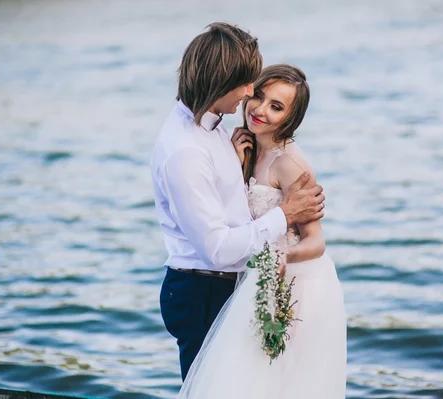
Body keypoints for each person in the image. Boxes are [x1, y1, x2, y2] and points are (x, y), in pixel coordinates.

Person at [149, 23, 325, 381]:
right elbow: (216, 247)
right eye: (247, 84)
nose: (248, 94)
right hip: (202, 291)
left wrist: (233, 162)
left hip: (227, 287)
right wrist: (284, 214)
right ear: (220, 81)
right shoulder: (187, 152)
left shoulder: (218, 131)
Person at [177, 64, 347, 398]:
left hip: (292, 284)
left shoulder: (290, 166)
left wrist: (282, 256)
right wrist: (237, 164)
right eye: (259, 96)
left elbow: (316, 241)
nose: (260, 110)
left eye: (277, 107)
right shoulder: (244, 148)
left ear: (291, 118)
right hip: (255, 277)